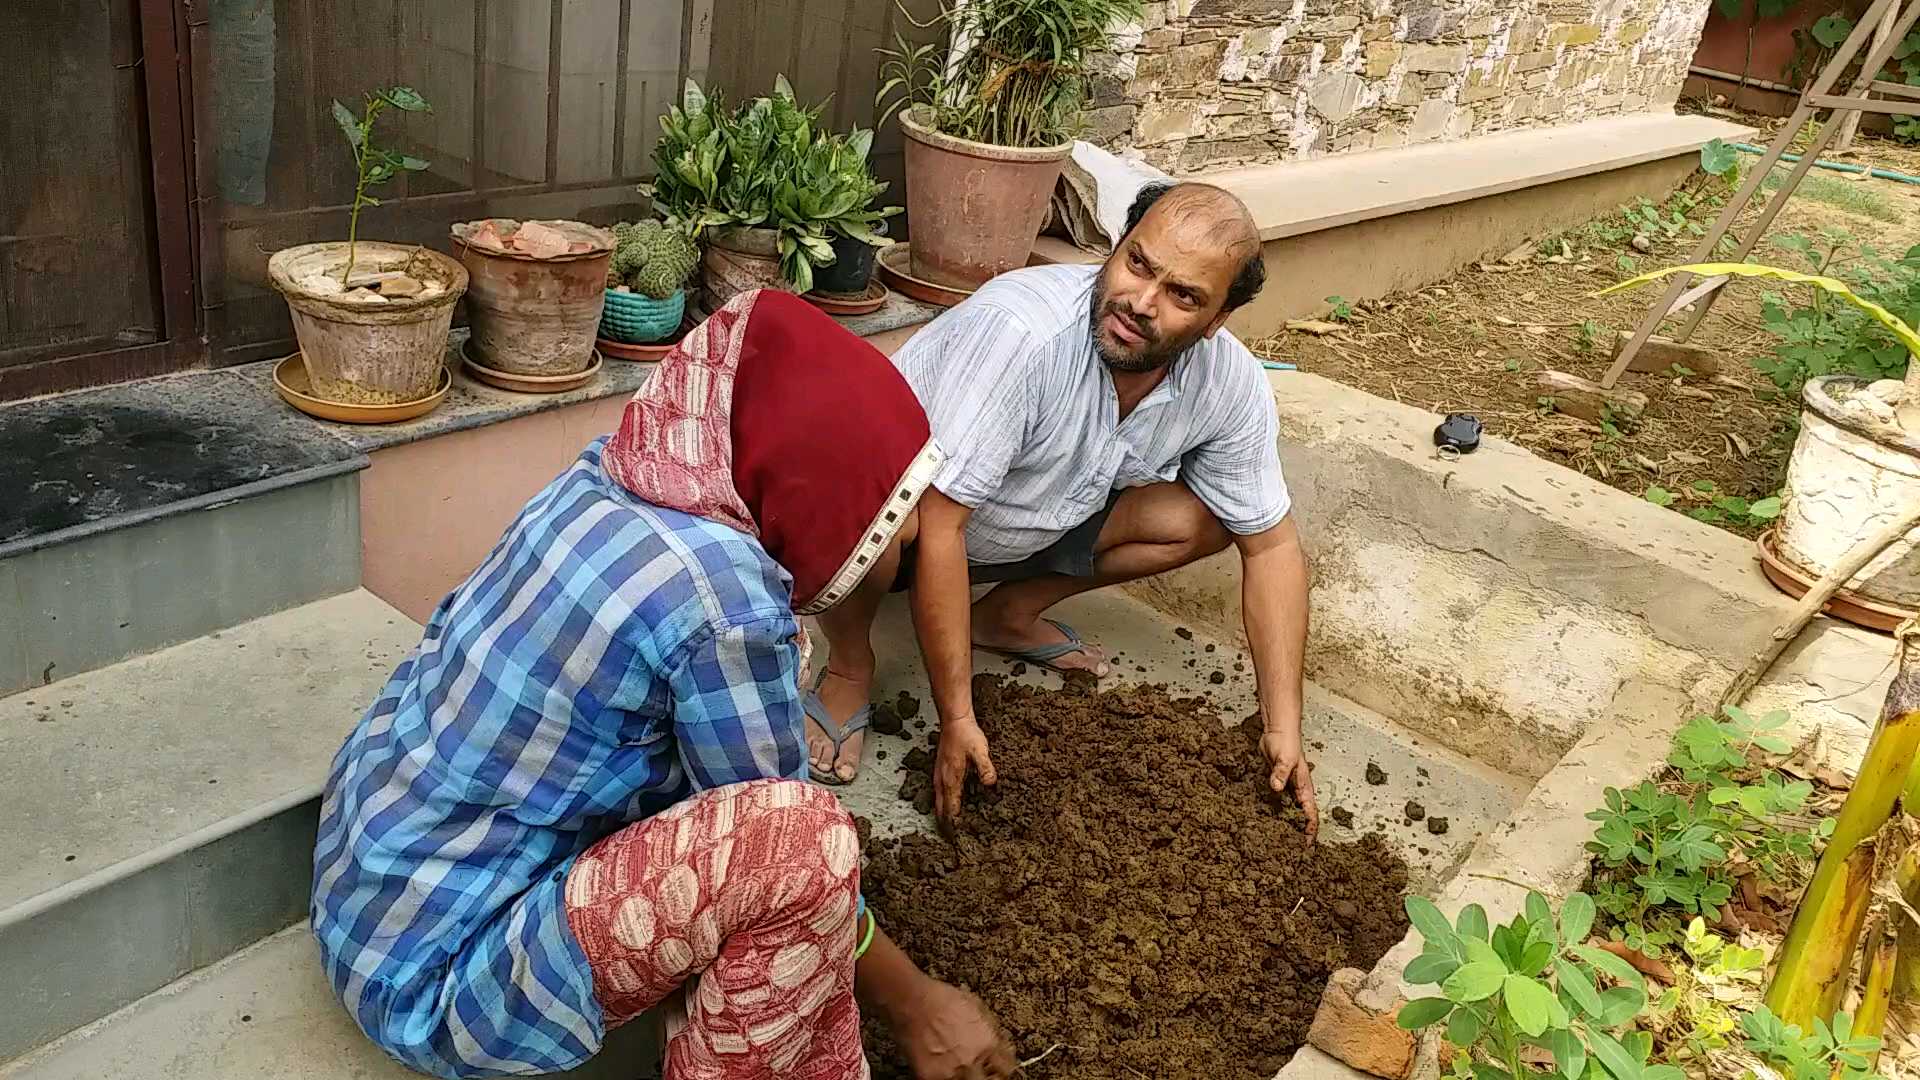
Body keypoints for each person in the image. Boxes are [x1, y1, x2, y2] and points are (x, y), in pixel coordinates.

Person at [311, 290, 1014, 1080]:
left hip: (370, 892)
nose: (900, 547)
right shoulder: (723, 603)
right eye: (895, 521)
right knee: (810, 843)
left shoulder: (611, 476)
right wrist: (917, 1002)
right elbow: (779, 849)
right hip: (440, 984)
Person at [806, 182, 1319, 839]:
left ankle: (1004, 615)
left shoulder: (1230, 385)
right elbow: (941, 523)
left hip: (1022, 518)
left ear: (1217, 320)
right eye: (1138, 263)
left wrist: (1282, 727)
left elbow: (1271, 546)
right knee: (884, 516)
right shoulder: (1022, 333)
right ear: (1117, 246)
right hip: (900, 521)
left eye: (1183, 295)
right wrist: (958, 719)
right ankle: (849, 664)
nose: (1141, 303)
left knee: (1206, 518)